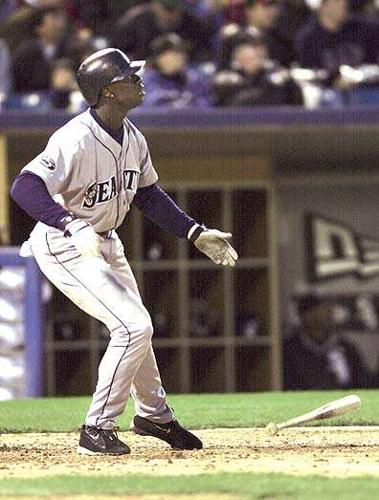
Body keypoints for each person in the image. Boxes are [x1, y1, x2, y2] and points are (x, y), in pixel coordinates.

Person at [11, 47, 238, 455]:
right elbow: (24, 186)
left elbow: (148, 196)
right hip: (66, 243)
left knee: (139, 327)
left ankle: (154, 415)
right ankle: (96, 428)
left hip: (104, 240)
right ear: (109, 91)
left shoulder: (132, 136)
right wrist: (69, 223)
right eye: (130, 77)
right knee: (133, 327)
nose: (139, 81)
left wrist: (194, 232)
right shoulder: (74, 137)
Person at [282, 294, 373, 390]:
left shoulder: (347, 349)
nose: (328, 315)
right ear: (304, 316)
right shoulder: (289, 351)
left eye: (328, 310)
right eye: (318, 311)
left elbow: (362, 383)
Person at [295, 0, 379, 91]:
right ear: (321, 6)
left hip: (367, 91)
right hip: (328, 96)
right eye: (336, 1)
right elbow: (310, 74)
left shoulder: (364, 28)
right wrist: (334, 81)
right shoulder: (308, 39)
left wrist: (360, 75)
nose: (343, 4)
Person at [111, 0, 214, 63]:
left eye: (173, 8)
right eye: (166, 8)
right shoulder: (134, 22)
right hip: (144, 74)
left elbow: (204, 53)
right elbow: (117, 53)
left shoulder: (193, 24)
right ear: (154, 5)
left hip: (183, 72)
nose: (169, 13)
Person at [212, 36, 302, 106]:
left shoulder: (272, 73)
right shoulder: (230, 79)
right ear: (238, 61)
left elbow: (294, 96)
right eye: (246, 59)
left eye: (254, 58)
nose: (252, 62)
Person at [217, 0, 295, 70]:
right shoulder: (233, 40)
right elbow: (223, 73)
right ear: (250, 10)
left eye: (274, 6)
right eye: (266, 6)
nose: (272, 11)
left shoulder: (282, 39)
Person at [141, 33, 211, 109]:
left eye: (176, 55)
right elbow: (147, 103)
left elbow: (206, 105)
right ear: (157, 59)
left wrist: (187, 101)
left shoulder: (195, 79)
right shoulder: (146, 80)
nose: (171, 60)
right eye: (165, 55)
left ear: (184, 57)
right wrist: (171, 97)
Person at [11, 6, 70, 93]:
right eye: (53, 20)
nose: (60, 24)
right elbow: (21, 82)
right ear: (39, 28)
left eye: (59, 19)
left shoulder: (68, 47)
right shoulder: (25, 52)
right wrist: (51, 79)